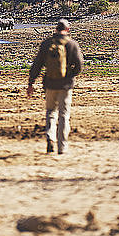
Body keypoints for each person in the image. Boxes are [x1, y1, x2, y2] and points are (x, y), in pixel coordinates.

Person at [27, 19, 83, 155]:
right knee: (64, 114)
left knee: (51, 111)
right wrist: (70, 75)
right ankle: (62, 147)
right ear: (67, 29)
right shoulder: (72, 44)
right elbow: (80, 65)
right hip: (66, 85)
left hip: (50, 83)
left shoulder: (47, 44)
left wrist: (31, 83)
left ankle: (50, 138)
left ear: (56, 29)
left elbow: (37, 65)